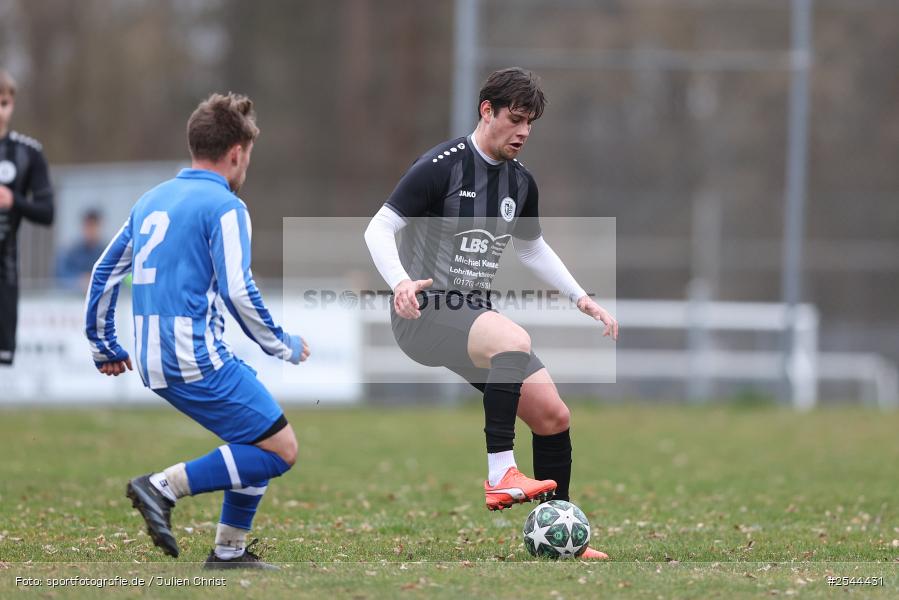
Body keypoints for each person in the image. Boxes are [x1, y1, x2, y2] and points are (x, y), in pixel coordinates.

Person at [364, 67, 618, 559]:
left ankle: (560, 535)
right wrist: (399, 283)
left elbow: (532, 249)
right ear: (487, 111)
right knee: (513, 339)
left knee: (552, 415)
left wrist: (580, 297)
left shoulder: (521, 183)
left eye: (530, 124)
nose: (523, 132)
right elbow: (378, 229)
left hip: (471, 315)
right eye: (516, 119)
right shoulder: (441, 166)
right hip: (426, 312)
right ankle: (501, 472)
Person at [84, 93, 310, 569]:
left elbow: (104, 272)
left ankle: (228, 552)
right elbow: (237, 288)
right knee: (281, 449)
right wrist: (281, 344)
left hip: (152, 357)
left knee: (258, 436)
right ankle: (161, 487)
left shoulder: (151, 199)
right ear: (236, 153)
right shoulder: (225, 206)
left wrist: (104, 343)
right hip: (193, 355)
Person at [0, 69, 54, 366]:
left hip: (5, 273)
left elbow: (47, 212)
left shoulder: (27, 153)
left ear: (12, 104)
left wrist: (14, 201)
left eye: (4, 103)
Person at [57, 209, 105, 292]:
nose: (91, 230)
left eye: (94, 226)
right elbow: (60, 275)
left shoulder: (106, 251)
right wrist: (79, 281)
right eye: (88, 226)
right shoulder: (71, 252)